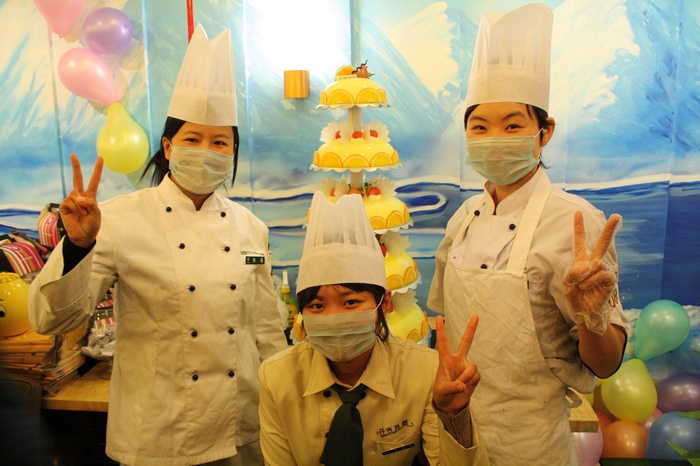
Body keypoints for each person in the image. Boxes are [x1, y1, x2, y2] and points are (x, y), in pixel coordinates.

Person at [28, 25, 287, 466]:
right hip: (157, 432)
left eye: (219, 142)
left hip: (240, 426)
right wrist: (77, 246)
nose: (207, 150)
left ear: (232, 154)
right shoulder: (119, 219)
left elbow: (265, 330)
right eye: (193, 139)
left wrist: (283, 408)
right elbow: (52, 319)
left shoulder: (251, 228)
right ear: (168, 147)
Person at [427, 4, 631, 465]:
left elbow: (604, 364)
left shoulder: (576, 223)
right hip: (457, 432)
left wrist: (592, 318)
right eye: (480, 127)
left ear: (544, 132)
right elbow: (446, 330)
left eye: (513, 125)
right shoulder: (462, 218)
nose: (494, 137)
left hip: (533, 446)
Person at [258, 192, 489, 466]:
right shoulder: (277, 378)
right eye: (317, 306)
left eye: (351, 302)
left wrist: (453, 415)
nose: (334, 317)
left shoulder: (425, 371)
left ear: (385, 304)